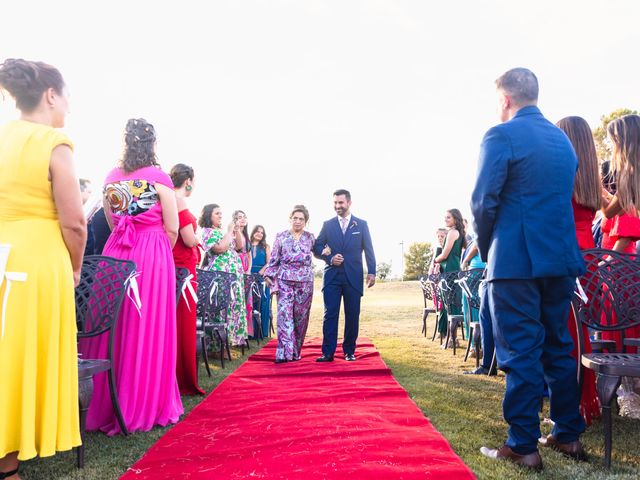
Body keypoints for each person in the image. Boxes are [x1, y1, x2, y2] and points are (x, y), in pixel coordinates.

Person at [471, 68, 586, 470]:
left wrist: (490, 250)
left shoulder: (499, 135)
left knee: (520, 350)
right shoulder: (563, 141)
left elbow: (483, 202)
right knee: (558, 345)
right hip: (559, 259)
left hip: (515, 261)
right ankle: (567, 434)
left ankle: (522, 444)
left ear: (504, 99)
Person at [0, 58, 86, 479]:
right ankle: (8, 462)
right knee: (23, 354)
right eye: (66, 98)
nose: (68, 108)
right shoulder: (54, 142)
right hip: (38, 262)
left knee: (5, 352)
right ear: (51, 95)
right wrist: (74, 268)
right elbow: (74, 221)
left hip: (2, 253)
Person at [79, 118, 183, 435]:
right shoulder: (158, 177)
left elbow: (110, 222)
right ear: (152, 144)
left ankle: (101, 405)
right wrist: (158, 251)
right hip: (151, 254)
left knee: (114, 323)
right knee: (145, 324)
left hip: (116, 251)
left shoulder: (111, 178)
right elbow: (173, 227)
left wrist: (126, 239)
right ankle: (140, 401)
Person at [555, 116, 602, 425]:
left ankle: (570, 411)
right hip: (591, 257)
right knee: (582, 334)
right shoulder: (592, 178)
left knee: (566, 336)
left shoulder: (562, 173)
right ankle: (586, 404)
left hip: (567, 255)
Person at [313, 189, 376, 362]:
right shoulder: (328, 224)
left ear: (349, 203)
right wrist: (329, 258)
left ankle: (349, 351)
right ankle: (328, 352)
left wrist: (372, 271)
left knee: (352, 314)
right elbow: (317, 247)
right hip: (332, 277)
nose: (337, 206)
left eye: (340, 203)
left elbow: (369, 250)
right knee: (330, 314)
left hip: (353, 277)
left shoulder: (361, 225)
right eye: (335, 203)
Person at [264, 206, 315, 362]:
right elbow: (274, 260)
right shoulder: (281, 236)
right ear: (290, 219)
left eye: (301, 219)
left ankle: (295, 352)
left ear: (306, 221)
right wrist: (269, 276)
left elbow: (319, 251)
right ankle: (284, 353)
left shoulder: (310, 237)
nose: (298, 221)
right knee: (284, 316)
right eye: (295, 218)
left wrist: (328, 253)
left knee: (301, 319)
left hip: (305, 282)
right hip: (285, 281)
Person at [170, 163, 204, 396]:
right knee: (183, 319)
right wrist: (198, 238)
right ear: (188, 180)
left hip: (180, 264)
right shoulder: (178, 200)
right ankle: (182, 375)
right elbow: (188, 239)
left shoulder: (168, 197)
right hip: (183, 266)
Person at [199, 204, 248, 346]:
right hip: (220, 276)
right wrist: (229, 231)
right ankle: (218, 345)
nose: (221, 215)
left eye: (221, 213)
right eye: (217, 213)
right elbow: (220, 248)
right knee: (221, 308)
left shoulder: (223, 232)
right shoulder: (207, 232)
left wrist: (236, 230)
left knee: (233, 306)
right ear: (208, 216)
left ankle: (233, 340)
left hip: (233, 276)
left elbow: (239, 247)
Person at [432, 209, 467, 347]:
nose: (445, 219)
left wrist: (436, 260)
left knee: (451, 304)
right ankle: (452, 339)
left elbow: (445, 254)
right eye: (445, 217)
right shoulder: (458, 233)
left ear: (455, 218)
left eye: (448, 217)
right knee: (451, 304)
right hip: (452, 270)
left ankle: (454, 340)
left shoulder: (452, 232)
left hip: (450, 271)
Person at [233, 210, 254, 338]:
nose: (242, 219)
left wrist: (249, 270)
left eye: (244, 217)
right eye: (239, 217)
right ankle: (236, 331)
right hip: (236, 266)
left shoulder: (247, 236)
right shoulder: (233, 233)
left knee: (247, 300)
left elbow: (249, 255)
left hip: (246, 269)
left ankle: (246, 332)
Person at [250, 225, 272, 337]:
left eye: (262, 232)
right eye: (257, 231)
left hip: (262, 276)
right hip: (248, 275)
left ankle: (261, 332)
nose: (259, 234)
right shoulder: (247, 245)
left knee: (262, 302)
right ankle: (250, 332)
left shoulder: (265, 246)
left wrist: (261, 272)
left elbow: (269, 263)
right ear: (253, 232)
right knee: (250, 304)